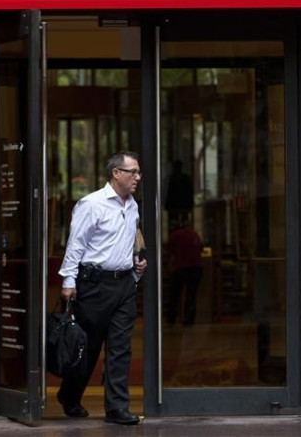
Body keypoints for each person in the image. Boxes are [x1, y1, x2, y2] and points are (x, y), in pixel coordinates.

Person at [57, 151, 148, 426]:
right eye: (133, 172)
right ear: (116, 173)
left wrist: (136, 264)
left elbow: (129, 238)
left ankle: (117, 408)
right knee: (89, 347)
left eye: (138, 172)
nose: (137, 177)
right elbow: (76, 245)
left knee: (120, 349)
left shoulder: (132, 205)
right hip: (94, 285)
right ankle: (69, 395)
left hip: (125, 284)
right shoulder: (91, 204)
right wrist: (68, 281)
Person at [165, 213, 204, 327]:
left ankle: (171, 319)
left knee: (175, 294)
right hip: (196, 267)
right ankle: (189, 320)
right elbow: (201, 248)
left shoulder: (176, 235)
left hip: (181, 267)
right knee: (191, 295)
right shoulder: (194, 234)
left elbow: (169, 249)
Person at [164, 160, 193, 229]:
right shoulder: (184, 178)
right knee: (179, 222)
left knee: (177, 222)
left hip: (177, 205)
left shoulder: (170, 179)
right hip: (180, 205)